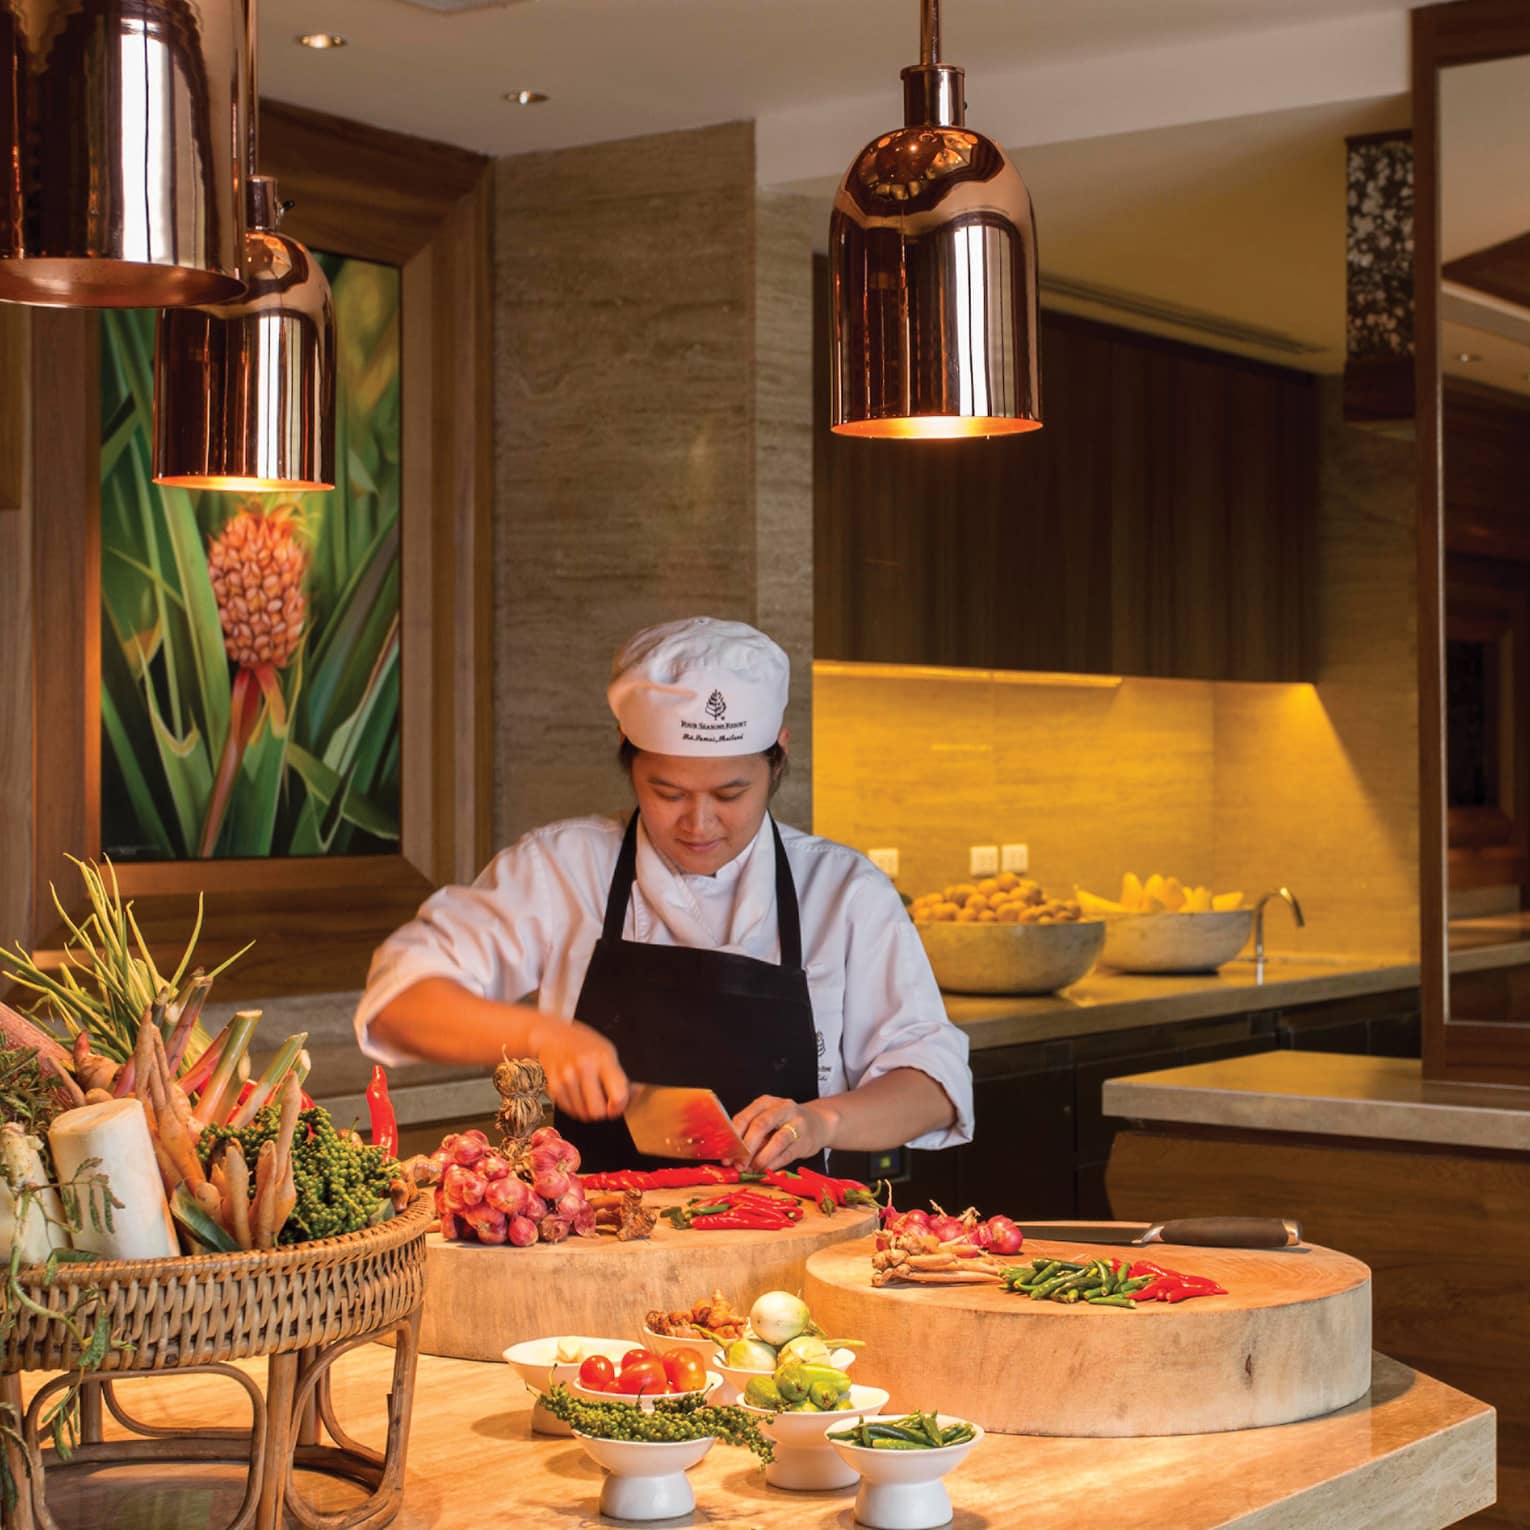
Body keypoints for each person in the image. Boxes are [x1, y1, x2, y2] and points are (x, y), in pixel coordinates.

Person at [354, 616, 972, 1171]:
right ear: (630, 763)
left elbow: (934, 1084)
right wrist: (544, 1035)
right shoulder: (565, 869)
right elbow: (398, 1001)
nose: (698, 824)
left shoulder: (842, 891)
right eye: (668, 792)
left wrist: (822, 1121)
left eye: (730, 795)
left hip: (799, 1251)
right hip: (599, 1249)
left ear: (778, 757)